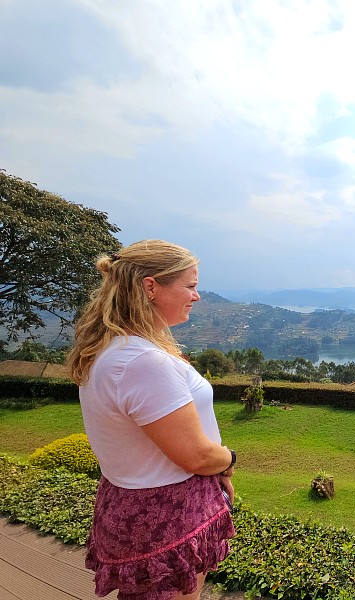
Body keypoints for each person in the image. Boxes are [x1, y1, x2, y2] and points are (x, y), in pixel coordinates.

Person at [66, 239, 236, 600]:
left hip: (134, 503)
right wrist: (228, 461)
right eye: (190, 286)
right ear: (150, 287)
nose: (197, 296)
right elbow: (196, 456)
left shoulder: (114, 349)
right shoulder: (144, 362)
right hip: (167, 515)